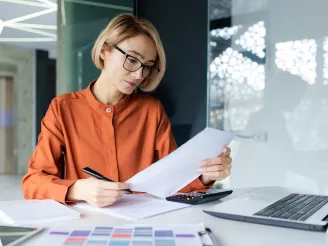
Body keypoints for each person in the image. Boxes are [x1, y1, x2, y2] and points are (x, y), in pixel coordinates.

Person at [21, 13, 232, 208]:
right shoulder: (63, 109)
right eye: (132, 59)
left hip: (145, 223)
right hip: (87, 226)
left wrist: (206, 175)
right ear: (104, 50)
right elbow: (33, 183)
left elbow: (174, 181)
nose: (139, 74)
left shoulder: (152, 111)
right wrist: (78, 189)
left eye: (148, 65)